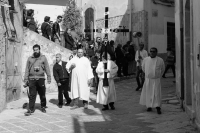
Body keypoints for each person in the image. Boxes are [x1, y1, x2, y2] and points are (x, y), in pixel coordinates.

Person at [24, 44, 51, 116]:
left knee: (42, 94)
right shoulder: (30, 58)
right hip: (32, 79)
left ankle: (43, 106)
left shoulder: (43, 58)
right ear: (33, 50)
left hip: (41, 78)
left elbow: (47, 68)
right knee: (32, 94)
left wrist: (49, 77)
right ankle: (31, 109)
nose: (36, 51)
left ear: (39, 50)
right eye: (34, 50)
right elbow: (27, 69)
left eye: (37, 50)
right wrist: (26, 79)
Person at [139, 47, 165, 114]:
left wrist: (158, 75)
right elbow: (143, 68)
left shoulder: (160, 60)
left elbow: (162, 69)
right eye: (151, 51)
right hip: (148, 80)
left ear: (156, 52)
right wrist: (148, 74)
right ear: (149, 52)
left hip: (156, 80)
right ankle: (149, 106)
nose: (152, 53)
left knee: (157, 93)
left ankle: (158, 107)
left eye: (154, 51)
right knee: (149, 93)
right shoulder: (146, 60)